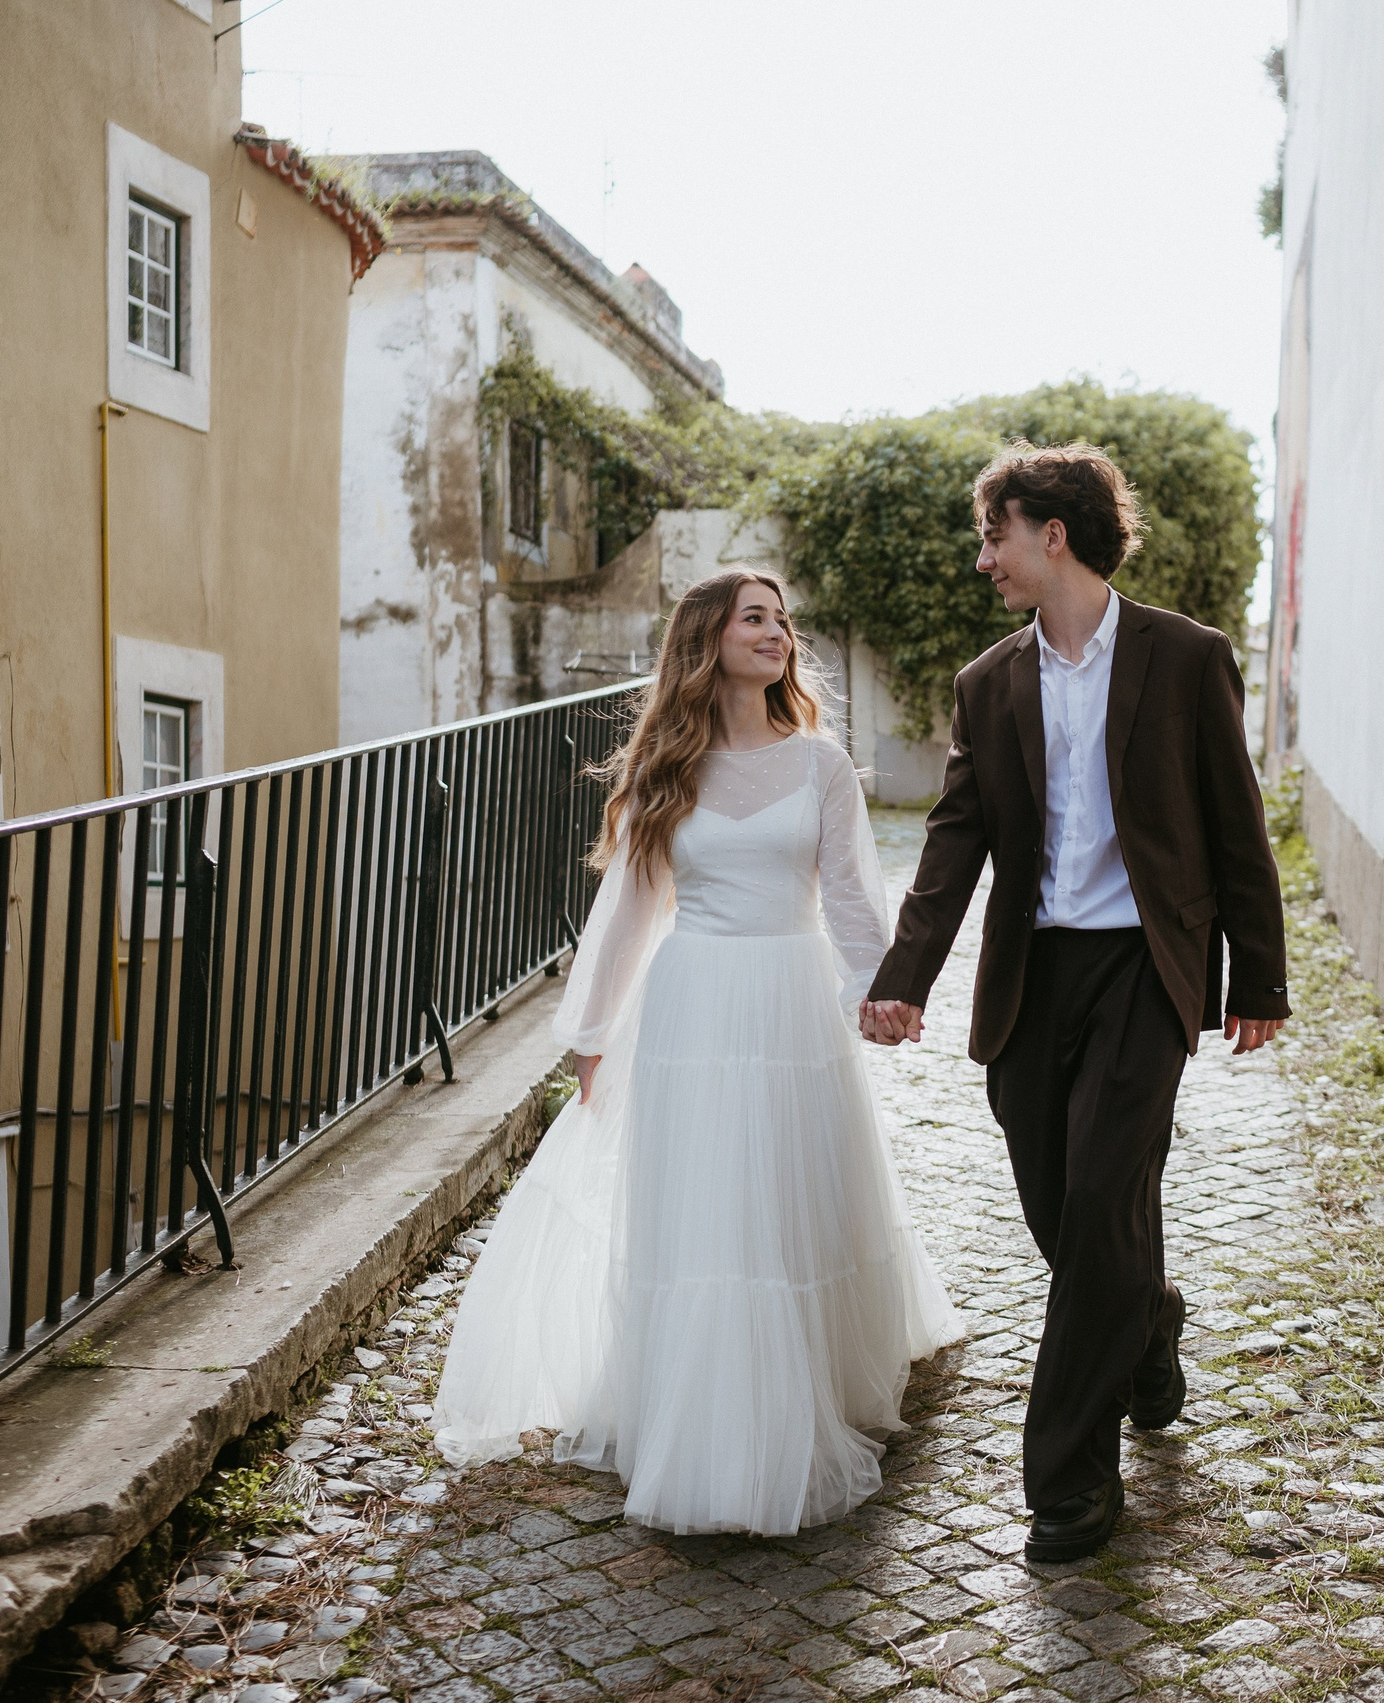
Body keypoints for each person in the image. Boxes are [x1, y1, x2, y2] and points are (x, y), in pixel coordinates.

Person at [431, 569, 961, 1536]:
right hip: (693, 1009)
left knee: (789, 1194)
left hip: (791, 1003)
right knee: (708, 1211)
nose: (777, 632)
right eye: (755, 617)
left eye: (781, 618)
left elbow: (848, 895)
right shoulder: (664, 767)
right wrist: (591, 1032)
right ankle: (701, 1412)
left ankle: (804, 1383)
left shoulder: (820, 765)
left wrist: (876, 991)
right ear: (707, 639)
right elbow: (629, 907)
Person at [860, 442, 1290, 1562]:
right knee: (1065, 1210)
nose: (983, 558)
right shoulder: (987, 682)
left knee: (1104, 1190)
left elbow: (1235, 824)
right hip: (1033, 978)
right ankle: (1146, 1328)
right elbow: (955, 842)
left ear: (1052, 533)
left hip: (1147, 968)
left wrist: (1259, 977)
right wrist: (902, 979)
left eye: (993, 534)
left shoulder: (1185, 657)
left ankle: (1068, 1479)